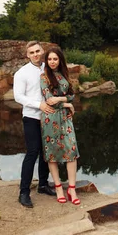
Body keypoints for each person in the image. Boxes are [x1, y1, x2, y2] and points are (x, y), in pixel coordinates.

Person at [13, 41, 57, 208]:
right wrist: (39, 105)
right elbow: (18, 96)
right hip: (32, 117)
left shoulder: (49, 67)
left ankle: (43, 185)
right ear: (27, 55)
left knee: (47, 152)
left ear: (42, 51)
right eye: (32, 52)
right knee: (32, 152)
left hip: (49, 117)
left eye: (38, 51)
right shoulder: (21, 73)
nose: (36, 54)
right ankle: (24, 192)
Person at [40, 47, 81, 205]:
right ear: (46, 61)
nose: (52, 62)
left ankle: (72, 188)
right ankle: (58, 187)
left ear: (60, 60)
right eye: (49, 59)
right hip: (50, 118)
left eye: (55, 59)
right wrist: (66, 104)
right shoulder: (44, 77)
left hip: (65, 119)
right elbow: (50, 100)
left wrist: (62, 101)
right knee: (52, 153)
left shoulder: (65, 75)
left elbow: (71, 95)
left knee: (71, 151)